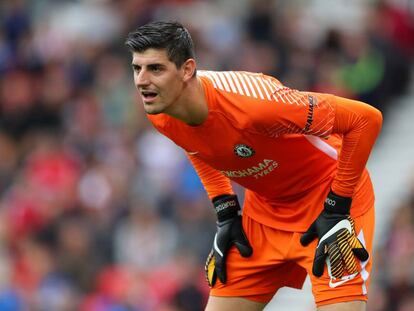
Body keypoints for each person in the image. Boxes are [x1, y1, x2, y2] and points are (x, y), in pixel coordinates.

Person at [125, 21, 383, 311]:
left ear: (186, 69)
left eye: (155, 69)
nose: (142, 81)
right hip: (265, 212)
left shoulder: (255, 103)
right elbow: (197, 145)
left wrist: (337, 205)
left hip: (329, 201)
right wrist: (225, 209)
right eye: (137, 68)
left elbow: (365, 120)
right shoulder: (161, 109)